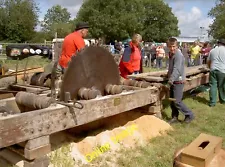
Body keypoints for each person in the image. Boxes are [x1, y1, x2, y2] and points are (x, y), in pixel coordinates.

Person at [167, 37, 194, 124]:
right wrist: (168, 75)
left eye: (174, 46)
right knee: (172, 101)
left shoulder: (178, 55)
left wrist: (170, 80)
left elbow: (177, 69)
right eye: (170, 46)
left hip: (178, 81)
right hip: (173, 80)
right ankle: (174, 117)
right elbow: (171, 67)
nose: (172, 48)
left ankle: (189, 114)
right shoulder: (171, 54)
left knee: (177, 101)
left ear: (177, 46)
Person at [207, 39, 225, 107]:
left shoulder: (212, 50)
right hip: (222, 70)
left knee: (212, 86)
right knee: (222, 86)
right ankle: (223, 100)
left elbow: (208, 61)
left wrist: (210, 68)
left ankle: (212, 102)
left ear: (218, 43)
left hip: (213, 69)